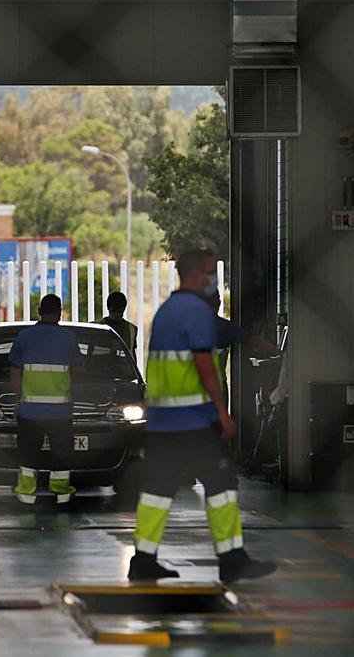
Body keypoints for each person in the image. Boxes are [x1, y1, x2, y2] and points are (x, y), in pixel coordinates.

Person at [128, 250, 277, 583]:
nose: (214, 281)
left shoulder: (166, 311)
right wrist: (223, 413)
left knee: (158, 490)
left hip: (163, 423)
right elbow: (204, 364)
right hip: (193, 422)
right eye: (210, 274)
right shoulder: (197, 312)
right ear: (195, 275)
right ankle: (232, 559)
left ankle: (143, 559)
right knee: (222, 485)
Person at [8, 294, 84, 505]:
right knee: (61, 455)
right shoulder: (68, 338)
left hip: (30, 411)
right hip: (60, 411)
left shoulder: (25, 337)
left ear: (40, 311)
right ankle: (61, 495)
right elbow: (77, 370)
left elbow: (14, 372)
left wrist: (19, 397)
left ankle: (26, 494)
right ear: (60, 312)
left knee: (28, 455)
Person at [207, 291, 280, 410]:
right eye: (217, 299)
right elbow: (252, 341)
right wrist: (278, 351)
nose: (220, 302)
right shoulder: (224, 327)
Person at [98, 291, 138, 355]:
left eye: (119, 311)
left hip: (123, 365)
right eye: (114, 311)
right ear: (108, 308)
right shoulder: (96, 327)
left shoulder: (132, 330)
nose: (116, 314)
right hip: (100, 364)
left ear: (124, 309)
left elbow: (132, 356)